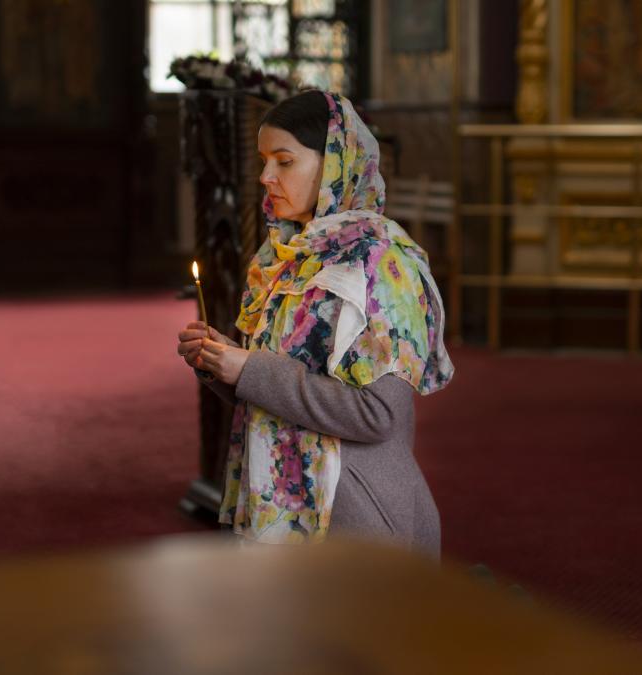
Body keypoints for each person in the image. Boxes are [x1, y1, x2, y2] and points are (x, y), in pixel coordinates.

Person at [177, 90, 453, 556]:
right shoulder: (285, 257)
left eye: (284, 162)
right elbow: (279, 394)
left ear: (335, 165)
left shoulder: (382, 266)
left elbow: (377, 415)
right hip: (283, 516)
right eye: (264, 161)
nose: (266, 177)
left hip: (357, 526)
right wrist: (223, 362)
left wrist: (249, 369)